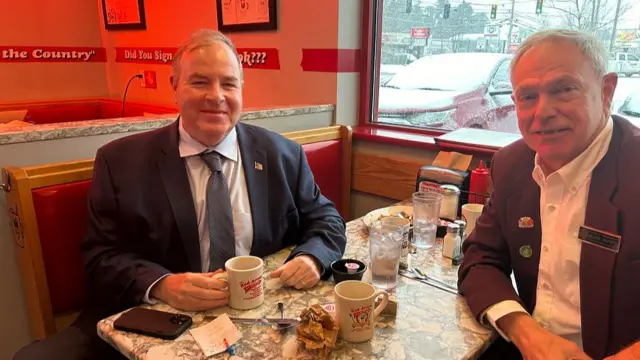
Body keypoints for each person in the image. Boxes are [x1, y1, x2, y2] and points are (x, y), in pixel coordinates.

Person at [14, 29, 346, 360]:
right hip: (150, 323)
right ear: (174, 87)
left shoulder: (281, 154)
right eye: (200, 82)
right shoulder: (120, 162)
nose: (216, 96)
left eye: (228, 83)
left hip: (258, 321)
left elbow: (326, 219)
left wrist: (312, 257)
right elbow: (100, 257)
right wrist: (161, 284)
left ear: (241, 90)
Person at [459, 29, 640, 360]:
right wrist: (526, 333)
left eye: (564, 89)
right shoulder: (512, 164)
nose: (543, 111)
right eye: (527, 96)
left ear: (606, 91)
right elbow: (480, 259)